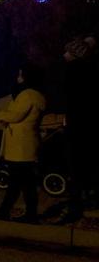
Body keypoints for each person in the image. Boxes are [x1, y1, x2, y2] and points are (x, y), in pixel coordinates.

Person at [0, 64, 47, 223]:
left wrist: (1, 114)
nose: (18, 78)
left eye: (21, 75)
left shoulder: (27, 95)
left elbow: (15, 116)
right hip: (26, 144)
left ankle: (20, 213)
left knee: (20, 183)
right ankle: (15, 211)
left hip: (21, 146)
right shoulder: (38, 95)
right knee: (23, 183)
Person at [57, 37, 99, 223]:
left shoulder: (73, 71)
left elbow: (69, 98)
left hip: (76, 125)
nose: (64, 54)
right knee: (86, 165)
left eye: (68, 51)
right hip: (88, 125)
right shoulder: (91, 70)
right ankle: (87, 196)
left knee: (75, 167)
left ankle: (74, 206)